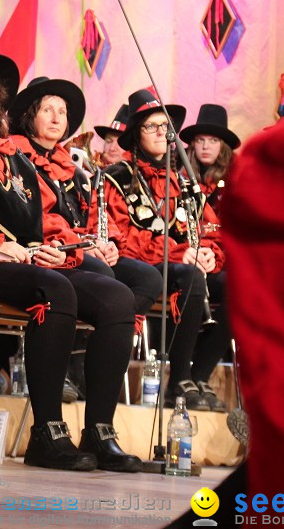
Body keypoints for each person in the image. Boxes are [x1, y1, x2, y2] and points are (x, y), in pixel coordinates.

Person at [0, 47, 140, 472]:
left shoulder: (12, 157)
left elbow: (33, 222)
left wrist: (55, 247)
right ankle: (47, 432)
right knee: (56, 289)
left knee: (119, 298)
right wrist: (5, 245)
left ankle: (101, 430)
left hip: (22, 257)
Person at [8, 78, 164, 399]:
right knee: (104, 277)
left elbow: (94, 215)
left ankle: (92, 347)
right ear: (29, 116)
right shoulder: (15, 156)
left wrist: (106, 243)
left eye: (62, 112)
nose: (56, 118)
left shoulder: (76, 169)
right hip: (43, 251)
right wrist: (83, 244)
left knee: (147, 278)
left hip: (79, 251)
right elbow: (35, 217)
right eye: (47, 110)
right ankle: (71, 364)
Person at [102, 89, 229, 411]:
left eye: (166, 127)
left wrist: (210, 252)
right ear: (136, 134)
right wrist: (176, 252)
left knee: (239, 286)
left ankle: (199, 375)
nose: (162, 133)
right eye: (152, 126)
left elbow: (210, 229)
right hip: (140, 266)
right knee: (190, 277)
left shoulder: (185, 181)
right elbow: (121, 238)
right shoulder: (117, 177)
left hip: (182, 265)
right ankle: (178, 381)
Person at [180, 103, 240, 211]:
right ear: (193, 144)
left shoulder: (235, 175)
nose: (205, 147)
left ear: (223, 146)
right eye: (200, 140)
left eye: (214, 140)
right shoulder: (178, 172)